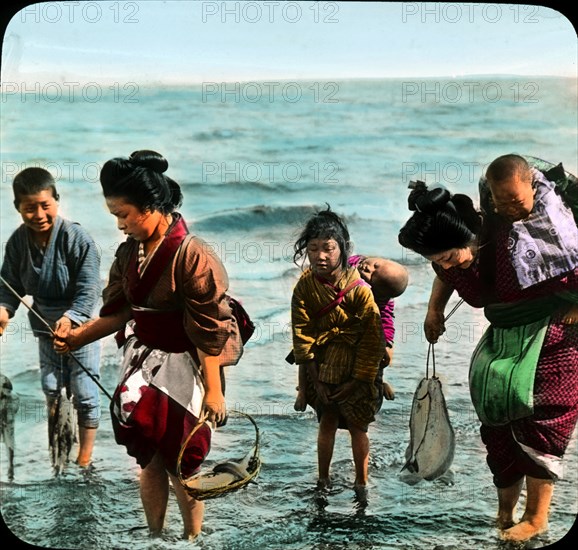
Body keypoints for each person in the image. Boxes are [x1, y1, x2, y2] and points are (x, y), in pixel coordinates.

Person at [53, 150, 243, 540]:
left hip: (186, 365)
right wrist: (78, 336)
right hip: (141, 362)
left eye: (124, 215)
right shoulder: (129, 252)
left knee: (182, 461)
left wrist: (213, 392)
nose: (120, 225)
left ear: (153, 207)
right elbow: (121, 313)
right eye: (115, 217)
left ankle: (192, 539)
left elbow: (209, 330)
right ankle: (155, 537)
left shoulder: (192, 254)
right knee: (150, 459)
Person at [398, 165, 578, 544]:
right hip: (503, 337)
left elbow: (570, 265)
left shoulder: (521, 239)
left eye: (449, 256)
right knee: (496, 423)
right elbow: (446, 274)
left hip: (553, 337)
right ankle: (504, 512)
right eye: (438, 260)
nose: (447, 265)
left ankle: (536, 517)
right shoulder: (456, 255)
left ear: (468, 236)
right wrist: (433, 310)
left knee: (542, 422)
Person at [0, 167, 101, 470]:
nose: (38, 214)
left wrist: (72, 321)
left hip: (81, 326)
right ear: (18, 207)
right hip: (44, 325)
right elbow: (9, 286)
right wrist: (3, 312)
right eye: (29, 208)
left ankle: (84, 459)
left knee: (83, 392)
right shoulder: (17, 242)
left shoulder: (77, 238)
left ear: (57, 200)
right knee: (51, 388)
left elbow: (89, 289)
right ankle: (57, 456)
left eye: (45, 205)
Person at [290, 205, 386, 501]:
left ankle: (362, 480)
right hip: (323, 365)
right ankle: (322, 478)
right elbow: (301, 333)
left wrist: (358, 381)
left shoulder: (359, 289)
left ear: (343, 249)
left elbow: (372, 340)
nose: (320, 256)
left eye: (328, 249)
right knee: (326, 421)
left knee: (358, 426)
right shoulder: (305, 286)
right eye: (313, 248)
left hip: (358, 367)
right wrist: (314, 380)